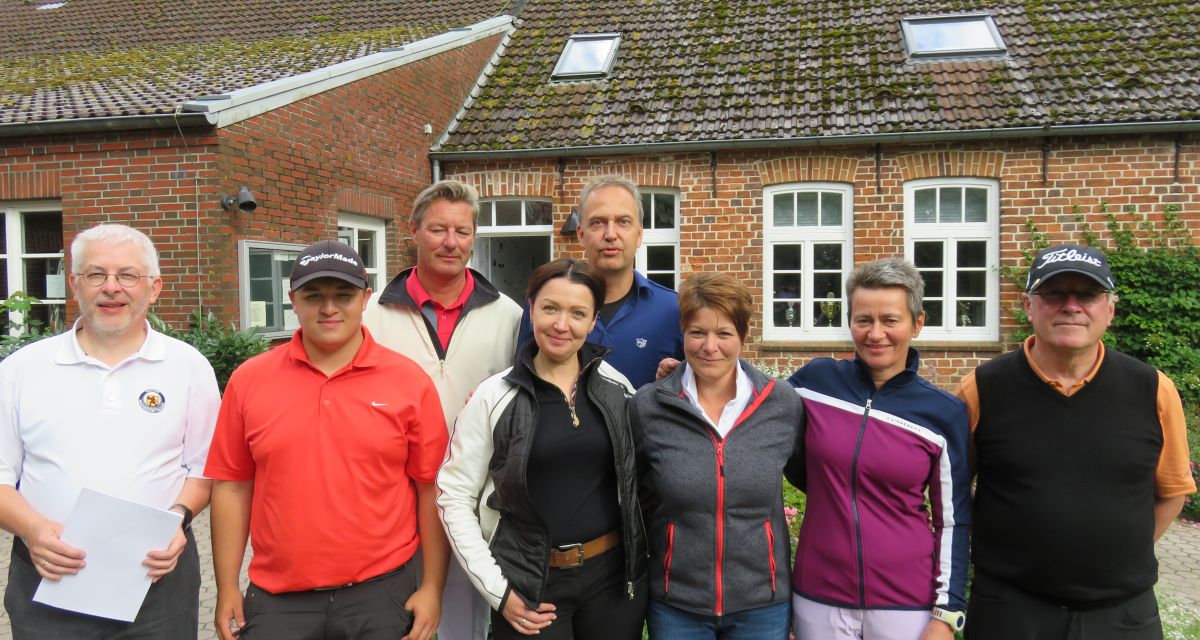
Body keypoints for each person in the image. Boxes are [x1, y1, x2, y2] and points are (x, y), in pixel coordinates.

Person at [207, 239, 449, 640]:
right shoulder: (249, 380)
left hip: (381, 595)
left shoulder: (408, 382)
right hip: (277, 600)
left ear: (366, 299)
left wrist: (432, 588)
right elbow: (232, 485)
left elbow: (430, 489)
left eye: (344, 295)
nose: (329, 308)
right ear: (293, 300)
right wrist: (227, 585)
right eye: (313, 296)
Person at [958, 244, 1197, 640]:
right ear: (1029, 306)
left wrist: (1117, 553)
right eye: (1054, 294)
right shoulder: (982, 389)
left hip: (1122, 616)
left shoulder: (1153, 390)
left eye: (1086, 294)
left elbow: (1172, 491)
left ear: (1110, 309)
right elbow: (953, 493)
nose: (1071, 306)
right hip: (1010, 612)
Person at [0, 223, 220, 638]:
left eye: (128, 276)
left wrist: (177, 519)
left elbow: (205, 466)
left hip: (157, 580)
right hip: (49, 578)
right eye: (96, 274)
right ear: (75, 284)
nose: (111, 288)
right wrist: (31, 529)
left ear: (155, 288)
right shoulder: (20, 371)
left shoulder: (188, 368)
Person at [438, 257, 647, 640]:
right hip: (532, 587)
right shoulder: (494, 396)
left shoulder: (617, 387)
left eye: (578, 313)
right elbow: (454, 496)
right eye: (550, 308)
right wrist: (498, 591)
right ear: (530, 307)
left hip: (613, 584)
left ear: (593, 319)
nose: (562, 325)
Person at [363, 179, 521, 640]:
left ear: (474, 237)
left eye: (462, 231)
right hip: (390, 499)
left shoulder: (509, 316)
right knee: (391, 622)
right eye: (437, 230)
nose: (451, 243)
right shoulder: (371, 315)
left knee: (464, 628)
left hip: (473, 503)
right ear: (413, 231)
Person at [787, 258, 970, 640]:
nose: (875, 334)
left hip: (906, 602)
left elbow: (953, 519)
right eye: (863, 320)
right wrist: (683, 374)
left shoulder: (942, 413)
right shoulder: (814, 383)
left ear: (917, 323)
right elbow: (746, 406)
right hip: (819, 594)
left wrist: (948, 611)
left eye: (890, 320)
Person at [630, 272, 805, 640]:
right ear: (683, 334)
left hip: (763, 604)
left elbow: (813, 481)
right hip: (677, 604)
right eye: (698, 332)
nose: (710, 346)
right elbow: (634, 494)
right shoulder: (649, 406)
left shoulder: (781, 404)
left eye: (724, 333)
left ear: (743, 336)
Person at [517, 174, 682, 389]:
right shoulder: (545, 309)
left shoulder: (673, 310)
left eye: (623, 222)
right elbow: (521, 384)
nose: (611, 234)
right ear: (581, 234)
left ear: (639, 235)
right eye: (598, 222)